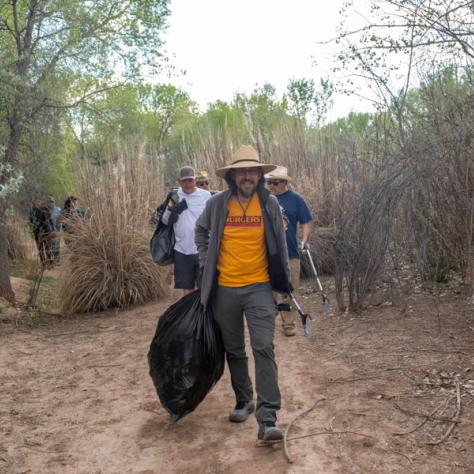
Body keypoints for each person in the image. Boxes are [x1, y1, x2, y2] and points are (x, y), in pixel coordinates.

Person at [195, 145, 292, 442]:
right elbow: (201, 232)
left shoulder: (270, 205)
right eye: (242, 172)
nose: (248, 176)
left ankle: (267, 418)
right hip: (225, 289)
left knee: (264, 347)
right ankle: (243, 399)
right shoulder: (218, 204)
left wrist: (283, 286)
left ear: (260, 175)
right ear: (233, 176)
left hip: (259, 287)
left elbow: (281, 245)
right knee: (234, 350)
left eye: (253, 171)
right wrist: (205, 261)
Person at [266, 166, 312, 337]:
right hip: (268, 254)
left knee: (290, 287)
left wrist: (304, 239)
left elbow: (306, 220)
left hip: (291, 252)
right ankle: (268, 319)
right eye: (269, 182)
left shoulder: (296, 199)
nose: (271, 186)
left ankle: (289, 323)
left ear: (284, 182)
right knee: (268, 289)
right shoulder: (264, 199)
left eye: (275, 182)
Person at [161, 166, 211, 296]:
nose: (187, 184)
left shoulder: (205, 195)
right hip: (182, 250)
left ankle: (202, 315)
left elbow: (213, 219)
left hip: (202, 249)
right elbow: (165, 221)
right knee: (187, 289)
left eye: (190, 180)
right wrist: (173, 211)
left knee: (203, 288)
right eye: (184, 181)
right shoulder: (174, 196)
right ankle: (188, 315)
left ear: (195, 180)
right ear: (179, 181)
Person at [29, 198, 54, 267]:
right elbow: (31, 222)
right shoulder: (33, 212)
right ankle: (43, 263)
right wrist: (31, 231)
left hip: (46, 232)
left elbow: (50, 220)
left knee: (48, 247)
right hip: (37, 233)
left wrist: (52, 229)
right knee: (40, 248)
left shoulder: (45, 210)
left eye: (40, 203)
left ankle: (50, 262)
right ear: (35, 204)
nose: (39, 204)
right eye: (37, 203)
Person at [47, 196, 61, 265]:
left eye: (52, 202)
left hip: (56, 231)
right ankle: (50, 261)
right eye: (50, 202)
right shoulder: (45, 210)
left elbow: (60, 221)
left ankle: (57, 261)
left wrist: (59, 231)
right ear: (47, 203)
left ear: (54, 202)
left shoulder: (58, 210)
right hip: (48, 232)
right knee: (49, 247)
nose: (51, 203)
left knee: (57, 246)